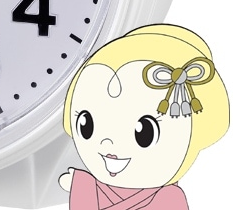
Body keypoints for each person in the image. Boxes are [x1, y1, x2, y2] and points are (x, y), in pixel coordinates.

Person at [59, 24, 229, 209]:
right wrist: (81, 184)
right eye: (86, 126)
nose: (108, 142)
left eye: (144, 134)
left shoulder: (169, 200)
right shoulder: (89, 187)